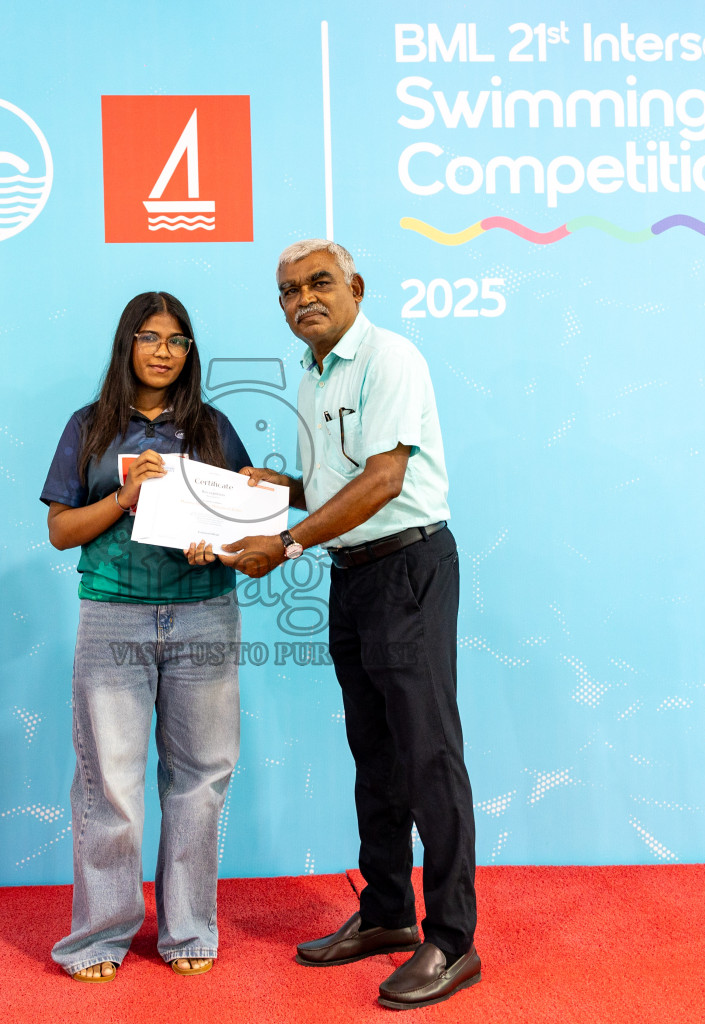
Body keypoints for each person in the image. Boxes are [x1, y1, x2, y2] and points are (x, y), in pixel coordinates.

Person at [220, 241, 480, 1010]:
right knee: (375, 751)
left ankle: (454, 939)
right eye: (287, 290)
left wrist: (290, 539)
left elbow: (386, 478)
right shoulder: (311, 375)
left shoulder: (390, 358)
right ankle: (390, 914)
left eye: (319, 283)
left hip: (408, 569)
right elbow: (342, 480)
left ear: (356, 288)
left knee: (428, 752)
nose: (303, 298)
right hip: (353, 573)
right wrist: (286, 490)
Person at [40, 291, 252, 983]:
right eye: (150, 336)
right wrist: (123, 500)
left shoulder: (214, 428)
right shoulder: (89, 426)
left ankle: (189, 930)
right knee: (111, 782)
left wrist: (215, 548)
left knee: (201, 779)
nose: (163, 351)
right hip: (114, 613)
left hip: (204, 613)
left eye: (177, 340)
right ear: (126, 344)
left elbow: (244, 530)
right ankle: (99, 936)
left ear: (190, 353)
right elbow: (60, 531)